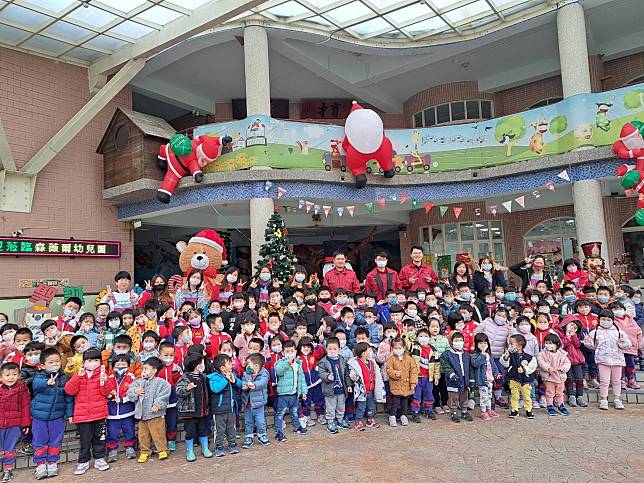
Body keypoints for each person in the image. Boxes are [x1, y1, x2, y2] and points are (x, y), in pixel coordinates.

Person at [64, 348, 114, 475]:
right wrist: (78, 378)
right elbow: (69, 390)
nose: (93, 363)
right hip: (83, 415)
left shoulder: (102, 374)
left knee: (100, 438)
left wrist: (105, 380)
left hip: (100, 414)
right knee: (85, 440)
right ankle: (83, 461)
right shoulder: (79, 374)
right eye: (89, 360)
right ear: (84, 362)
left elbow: (106, 392)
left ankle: (99, 459)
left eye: (96, 360)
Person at [31, 349, 73, 479]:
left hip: (58, 416)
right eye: (51, 362)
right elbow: (36, 386)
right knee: (40, 440)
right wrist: (46, 383)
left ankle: (52, 462)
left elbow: (68, 398)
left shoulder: (64, 378)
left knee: (55, 440)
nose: (55, 364)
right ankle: (40, 463)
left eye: (57, 361)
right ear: (42, 365)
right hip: (39, 416)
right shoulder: (39, 376)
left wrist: (70, 414)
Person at [583, 310, 632, 410]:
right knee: (604, 381)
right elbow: (592, 346)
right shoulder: (595, 332)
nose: (606, 321)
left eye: (608, 319)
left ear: (612, 320)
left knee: (616, 381)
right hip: (602, 360)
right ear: (599, 320)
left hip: (617, 359)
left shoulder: (619, 331)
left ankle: (617, 399)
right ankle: (603, 400)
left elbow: (628, 345)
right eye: (603, 319)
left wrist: (622, 342)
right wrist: (587, 342)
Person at [126, 357, 171, 463]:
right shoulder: (139, 382)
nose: (144, 371)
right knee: (143, 435)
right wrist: (135, 391)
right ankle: (145, 451)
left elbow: (164, 394)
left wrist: (157, 405)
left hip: (156, 414)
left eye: (146, 368)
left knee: (158, 433)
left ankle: (162, 449)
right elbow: (130, 390)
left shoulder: (162, 383)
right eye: (143, 368)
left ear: (154, 370)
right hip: (142, 415)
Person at [176, 353, 212, 461]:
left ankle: (205, 448)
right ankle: (190, 450)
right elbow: (178, 391)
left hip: (202, 410)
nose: (202, 364)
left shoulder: (203, 377)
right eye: (200, 363)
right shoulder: (185, 377)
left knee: (203, 430)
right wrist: (187, 388)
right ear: (194, 364)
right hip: (189, 412)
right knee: (190, 432)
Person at [0, 362, 31, 482]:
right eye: (7, 375)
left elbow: (25, 407)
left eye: (14, 374)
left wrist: (26, 424)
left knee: (9, 448)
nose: (11, 377)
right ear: (1, 377)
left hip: (14, 424)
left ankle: (8, 470)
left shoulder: (22, 389)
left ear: (19, 375)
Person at [207, 354, 243, 456]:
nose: (231, 365)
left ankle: (232, 445)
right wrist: (226, 379)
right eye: (229, 363)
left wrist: (234, 380)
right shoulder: (213, 377)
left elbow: (241, 385)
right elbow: (216, 389)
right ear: (222, 367)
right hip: (219, 410)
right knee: (219, 430)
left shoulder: (232, 374)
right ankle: (219, 447)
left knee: (232, 428)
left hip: (231, 408)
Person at [273, 340, 308, 442]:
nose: (290, 354)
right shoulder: (280, 363)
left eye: (292, 351)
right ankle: (278, 431)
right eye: (287, 352)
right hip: (284, 394)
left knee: (295, 412)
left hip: (294, 394)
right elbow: (279, 371)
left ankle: (297, 426)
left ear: (296, 351)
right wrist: (287, 363)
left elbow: (301, 379)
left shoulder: (298, 364)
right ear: (283, 353)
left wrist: (303, 392)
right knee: (280, 413)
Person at [105, 355, 137, 462]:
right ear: (113, 366)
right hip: (112, 412)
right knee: (112, 432)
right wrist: (109, 395)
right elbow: (105, 391)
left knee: (129, 430)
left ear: (128, 365)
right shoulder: (109, 378)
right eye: (117, 364)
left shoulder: (131, 377)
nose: (120, 366)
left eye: (123, 364)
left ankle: (130, 447)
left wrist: (123, 399)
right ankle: (112, 450)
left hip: (127, 410)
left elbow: (133, 393)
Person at [317, 337, 352, 434]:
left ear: (339, 349)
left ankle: (340, 420)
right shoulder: (323, 362)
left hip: (341, 389)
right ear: (326, 349)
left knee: (341, 406)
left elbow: (346, 374)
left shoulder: (343, 360)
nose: (332, 351)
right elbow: (321, 373)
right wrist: (327, 376)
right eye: (330, 349)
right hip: (330, 390)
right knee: (330, 407)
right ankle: (330, 421)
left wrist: (348, 385)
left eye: (335, 349)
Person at [348, 342, 384, 431]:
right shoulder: (356, 363)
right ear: (364, 353)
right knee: (361, 406)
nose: (371, 351)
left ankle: (370, 419)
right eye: (369, 350)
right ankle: (358, 420)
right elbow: (352, 375)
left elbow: (376, 374)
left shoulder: (372, 363)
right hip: (362, 390)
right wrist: (354, 376)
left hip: (371, 389)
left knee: (371, 405)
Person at [501, 334, 537, 419]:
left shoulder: (529, 357)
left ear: (520, 346)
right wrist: (505, 357)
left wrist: (524, 369)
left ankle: (529, 410)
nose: (509, 346)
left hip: (525, 380)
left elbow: (533, 366)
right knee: (514, 396)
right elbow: (505, 364)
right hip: (513, 379)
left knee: (527, 396)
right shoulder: (509, 355)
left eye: (511, 344)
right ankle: (514, 410)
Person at [408, 328, 439, 422]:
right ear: (417, 338)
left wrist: (436, 376)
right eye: (421, 336)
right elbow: (407, 343)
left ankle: (429, 410)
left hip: (428, 377)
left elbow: (437, 364)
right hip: (417, 377)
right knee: (416, 395)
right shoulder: (415, 347)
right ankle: (415, 412)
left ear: (430, 338)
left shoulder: (434, 350)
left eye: (426, 336)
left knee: (429, 394)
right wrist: (406, 334)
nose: (423, 338)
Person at [440, 332, 472, 423]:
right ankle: (453, 412)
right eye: (456, 340)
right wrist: (451, 374)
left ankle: (464, 411)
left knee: (464, 395)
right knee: (453, 396)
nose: (459, 342)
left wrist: (471, 379)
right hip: (453, 380)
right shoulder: (446, 354)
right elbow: (445, 366)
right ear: (451, 342)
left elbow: (469, 367)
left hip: (464, 379)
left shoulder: (466, 354)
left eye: (461, 340)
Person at [554, 319, 587, 407]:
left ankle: (580, 396)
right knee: (569, 378)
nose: (572, 328)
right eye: (571, 325)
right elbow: (563, 345)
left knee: (579, 378)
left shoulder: (575, 334)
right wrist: (567, 337)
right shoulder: (559, 333)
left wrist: (574, 336)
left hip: (576, 360)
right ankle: (571, 395)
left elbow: (577, 345)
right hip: (565, 360)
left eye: (575, 327)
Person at [386, 338, 418, 427]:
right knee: (395, 402)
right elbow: (388, 370)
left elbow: (414, 371)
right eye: (396, 348)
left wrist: (413, 383)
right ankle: (392, 415)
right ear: (393, 349)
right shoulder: (391, 359)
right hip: (396, 385)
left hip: (406, 385)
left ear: (404, 348)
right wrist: (395, 373)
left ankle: (403, 415)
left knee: (405, 402)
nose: (398, 350)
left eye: (400, 348)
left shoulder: (409, 359)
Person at [240, 352, 270, 448]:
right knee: (248, 422)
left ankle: (262, 435)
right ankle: (248, 436)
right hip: (248, 404)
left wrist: (254, 385)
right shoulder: (246, 373)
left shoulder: (264, 373)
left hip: (259, 404)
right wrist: (245, 385)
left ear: (256, 365)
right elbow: (243, 382)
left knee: (260, 422)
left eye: (249, 364)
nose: (247, 366)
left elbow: (263, 383)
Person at [537, 334, 571, 416]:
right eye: (546, 343)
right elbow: (541, 362)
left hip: (560, 377)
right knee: (550, 392)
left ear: (557, 344)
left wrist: (563, 368)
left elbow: (567, 363)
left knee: (560, 392)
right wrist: (548, 368)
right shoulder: (542, 354)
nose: (548, 345)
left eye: (551, 343)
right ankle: (549, 406)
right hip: (549, 377)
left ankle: (561, 405)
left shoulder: (562, 353)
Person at [611, 302, 642, 389]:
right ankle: (621, 380)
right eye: (615, 309)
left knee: (630, 364)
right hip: (618, 348)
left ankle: (631, 380)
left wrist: (639, 344)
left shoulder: (631, 320)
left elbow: (639, 332)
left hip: (631, 347)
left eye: (620, 308)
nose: (618, 311)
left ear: (624, 310)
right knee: (620, 365)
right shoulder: (612, 321)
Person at [471, 333, 500, 420]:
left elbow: (493, 366)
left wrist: (496, 373)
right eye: (480, 343)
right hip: (482, 380)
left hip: (490, 379)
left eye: (485, 343)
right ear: (476, 344)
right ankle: (483, 411)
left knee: (489, 395)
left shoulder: (490, 355)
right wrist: (482, 356)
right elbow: (475, 364)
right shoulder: (475, 355)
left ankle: (489, 410)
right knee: (483, 396)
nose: (483, 345)